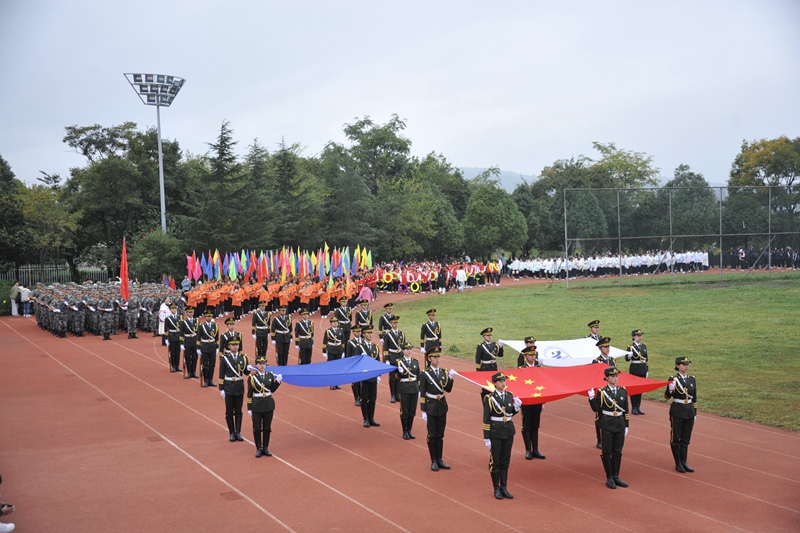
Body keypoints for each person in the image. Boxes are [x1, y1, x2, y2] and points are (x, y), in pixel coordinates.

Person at [588, 367, 630, 489]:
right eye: (612, 376)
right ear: (606, 378)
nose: (615, 378)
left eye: (616, 376)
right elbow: (596, 408)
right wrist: (591, 398)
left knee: (617, 451)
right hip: (607, 423)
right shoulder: (602, 392)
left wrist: (626, 425)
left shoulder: (622, 391)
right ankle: (609, 477)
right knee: (606, 451)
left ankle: (616, 475)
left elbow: (626, 409)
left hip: (620, 423)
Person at [483, 372, 522, 499]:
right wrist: (487, 438)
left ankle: (504, 487)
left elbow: (508, 414)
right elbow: (486, 419)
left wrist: (516, 407)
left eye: (504, 380)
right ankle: (496, 488)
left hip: (508, 431)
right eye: (500, 381)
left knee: (505, 461)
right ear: (494, 383)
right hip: (495, 432)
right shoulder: (489, 398)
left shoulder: (509, 396)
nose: (503, 383)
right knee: (495, 461)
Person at [419, 345, 456, 471]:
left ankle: (440, 459)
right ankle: (433, 460)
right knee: (432, 434)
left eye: (438, 357)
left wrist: (450, 378)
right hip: (430, 406)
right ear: (429, 359)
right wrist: (423, 410)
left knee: (440, 434)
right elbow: (422, 393)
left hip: (441, 406)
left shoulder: (443, 372)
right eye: (434, 357)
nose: (437, 359)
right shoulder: (425, 374)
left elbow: (448, 389)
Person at [665, 356, 697, 473]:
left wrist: (695, 412)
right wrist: (670, 390)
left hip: (689, 410)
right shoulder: (673, 379)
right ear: (678, 366)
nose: (686, 366)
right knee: (676, 437)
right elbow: (667, 397)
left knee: (685, 438)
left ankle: (684, 461)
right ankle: (678, 462)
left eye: (687, 364)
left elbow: (694, 397)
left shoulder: (692, 379)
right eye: (684, 364)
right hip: (677, 410)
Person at [246, 355, 282, 457]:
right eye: (259, 364)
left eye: (263, 364)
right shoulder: (252, 377)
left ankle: (265, 447)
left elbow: (272, 390)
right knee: (257, 428)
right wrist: (249, 408)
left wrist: (278, 382)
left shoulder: (270, 375)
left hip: (268, 404)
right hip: (257, 404)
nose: (262, 366)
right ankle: (258, 448)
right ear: (256, 365)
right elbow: (249, 394)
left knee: (267, 428)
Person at [218, 338, 250, 442]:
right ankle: (231, 432)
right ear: (229, 346)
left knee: (238, 411)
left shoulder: (243, 357)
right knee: (229, 411)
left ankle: (238, 432)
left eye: (237, 344)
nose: (235, 346)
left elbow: (245, 372)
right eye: (233, 345)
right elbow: (221, 374)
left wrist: (248, 369)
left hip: (239, 386)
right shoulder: (224, 358)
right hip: (229, 386)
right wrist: (221, 388)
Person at [518, 346, 545, 460]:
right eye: (530, 355)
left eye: (534, 355)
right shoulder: (521, 369)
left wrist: (543, 402)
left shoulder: (539, 368)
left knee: (535, 425)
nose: (533, 357)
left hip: (537, 400)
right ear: (525, 356)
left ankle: (536, 449)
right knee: (527, 426)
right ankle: (528, 449)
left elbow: (543, 386)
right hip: (527, 401)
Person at [591, 336, 616, 447]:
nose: (607, 348)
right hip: (601, 391)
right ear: (600, 348)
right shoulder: (596, 361)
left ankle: (610, 438)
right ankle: (600, 440)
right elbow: (595, 377)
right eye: (605, 347)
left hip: (611, 390)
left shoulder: (612, 360)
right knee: (600, 416)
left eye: (608, 346)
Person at [358, 327, 381, 428]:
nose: (370, 335)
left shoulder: (375, 347)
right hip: (364, 376)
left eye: (371, 333)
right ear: (364, 335)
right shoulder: (359, 347)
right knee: (364, 398)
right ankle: (365, 418)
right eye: (368, 333)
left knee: (373, 397)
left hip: (373, 375)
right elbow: (356, 363)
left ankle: (371, 417)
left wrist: (379, 374)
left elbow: (378, 361)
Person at [397, 342, 420, 440]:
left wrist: (419, 389)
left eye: (410, 349)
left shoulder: (415, 361)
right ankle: (405, 430)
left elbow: (418, 376)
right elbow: (396, 377)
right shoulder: (399, 361)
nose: (409, 351)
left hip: (414, 387)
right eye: (407, 349)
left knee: (412, 411)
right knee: (404, 411)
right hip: (405, 387)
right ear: (403, 350)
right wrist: (399, 373)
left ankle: (409, 430)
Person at [382, 315, 405, 403]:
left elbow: (403, 347)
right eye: (394, 323)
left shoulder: (401, 333)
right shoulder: (388, 335)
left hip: (399, 356)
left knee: (399, 376)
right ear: (391, 324)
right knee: (392, 377)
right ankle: (392, 395)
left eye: (396, 323)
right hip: (392, 357)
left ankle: (398, 394)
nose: (395, 324)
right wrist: (387, 359)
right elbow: (386, 348)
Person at [626, 329, 649, 415]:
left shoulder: (644, 346)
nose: (640, 337)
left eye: (640, 335)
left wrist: (647, 370)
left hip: (642, 368)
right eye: (638, 336)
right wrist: (628, 356)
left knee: (640, 389)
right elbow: (626, 359)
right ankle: (634, 407)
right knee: (634, 388)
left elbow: (646, 359)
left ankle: (638, 406)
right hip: (635, 368)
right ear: (633, 337)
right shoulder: (631, 347)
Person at [322, 316, 344, 390]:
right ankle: (331, 384)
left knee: (338, 367)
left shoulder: (341, 330)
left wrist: (343, 351)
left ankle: (337, 383)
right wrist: (324, 351)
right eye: (333, 322)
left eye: (336, 322)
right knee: (331, 367)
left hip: (339, 349)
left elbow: (343, 341)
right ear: (331, 323)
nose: (335, 323)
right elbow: (325, 341)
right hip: (331, 349)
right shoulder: (328, 331)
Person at [198, 311, 219, 388]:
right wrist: (198, 348)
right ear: (205, 317)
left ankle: (211, 379)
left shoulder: (215, 326)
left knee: (212, 364)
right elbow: (198, 338)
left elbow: (216, 338)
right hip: (204, 346)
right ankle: (206, 380)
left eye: (210, 316)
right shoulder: (201, 326)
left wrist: (217, 347)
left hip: (212, 346)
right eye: (207, 316)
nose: (209, 318)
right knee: (205, 364)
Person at [345, 325, 365, 405]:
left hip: (363, 365)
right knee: (355, 382)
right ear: (353, 332)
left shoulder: (364, 341)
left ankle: (362, 397)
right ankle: (357, 397)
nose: (359, 333)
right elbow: (348, 356)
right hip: (355, 365)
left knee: (363, 382)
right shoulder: (350, 343)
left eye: (360, 331)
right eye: (357, 331)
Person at [180, 307, 199, 379]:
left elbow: (198, 332)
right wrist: (181, 343)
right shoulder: (183, 322)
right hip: (187, 340)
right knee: (187, 357)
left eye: (192, 312)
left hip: (194, 340)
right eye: (189, 312)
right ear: (187, 313)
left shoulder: (197, 321)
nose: (190, 314)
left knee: (195, 357)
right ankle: (189, 372)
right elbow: (181, 333)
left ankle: (193, 371)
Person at [164, 303, 182, 372]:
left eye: (175, 309)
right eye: (172, 309)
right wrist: (166, 338)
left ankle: (177, 365)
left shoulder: (180, 317)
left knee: (178, 352)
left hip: (178, 336)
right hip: (172, 336)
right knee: (173, 352)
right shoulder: (168, 318)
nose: (174, 310)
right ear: (170, 310)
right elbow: (166, 329)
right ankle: (173, 366)